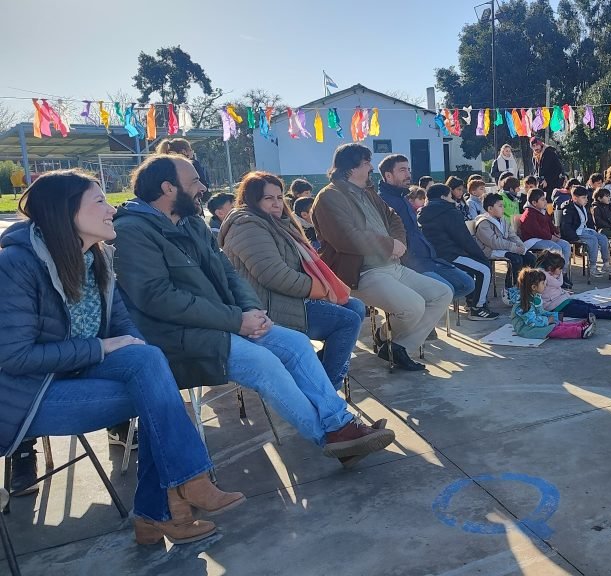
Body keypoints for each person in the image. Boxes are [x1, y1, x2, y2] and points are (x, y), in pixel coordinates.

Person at [0, 169, 247, 545]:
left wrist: (135, 349)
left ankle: (172, 501)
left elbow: (123, 325)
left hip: (82, 373)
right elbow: (14, 357)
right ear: (65, 213)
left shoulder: (97, 258)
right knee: (157, 399)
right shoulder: (17, 265)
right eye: (99, 201)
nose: (111, 211)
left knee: (151, 369)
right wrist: (99, 348)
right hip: (31, 396)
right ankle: (171, 500)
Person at [113, 156, 396, 464]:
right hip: (183, 338)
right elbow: (159, 298)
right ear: (168, 188)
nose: (203, 188)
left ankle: (340, 427)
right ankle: (333, 435)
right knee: (265, 362)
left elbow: (228, 274)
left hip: (229, 323)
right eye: (195, 182)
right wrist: (237, 320)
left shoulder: (190, 222)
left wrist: (250, 311)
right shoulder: (132, 231)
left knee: (297, 344)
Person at [218, 171, 367, 391]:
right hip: (268, 307)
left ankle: (313, 377)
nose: (277, 203)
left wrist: (325, 288)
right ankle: (325, 391)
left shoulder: (278, 224)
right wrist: (323, 290)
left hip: (288, 299)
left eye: (279, 197)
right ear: (252, 199)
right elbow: (275, 276)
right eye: (268, 198)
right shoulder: (247, 226)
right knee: (348, 321)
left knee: (355, 306)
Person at [311, 144, 453, 370]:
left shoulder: (367, 192)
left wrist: (398, 244)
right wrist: (389, 246)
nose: (370, 168)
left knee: (442, 293)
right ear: (350, 168)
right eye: (366, 163)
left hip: (393, 266)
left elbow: (394, 218)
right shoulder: (329, 197)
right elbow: (346, 237)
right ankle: (386, 337)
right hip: (362, 273)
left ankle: (398, 346)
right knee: (414, 306)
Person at [375, 154, 475, 304]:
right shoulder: (382, 201)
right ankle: (421, 317)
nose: (408, 174)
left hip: (429, 258)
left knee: (467, 283)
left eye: (408, 169)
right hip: (410, 264)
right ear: (388, 175)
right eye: (402, 170)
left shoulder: (403, 198)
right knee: (445, 290)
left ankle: (424, 309)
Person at [419, 184, 499, 320]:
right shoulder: (449, 212)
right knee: (484, 268)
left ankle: (471, 301)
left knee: (474, 267)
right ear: (443, 197)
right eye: (450, 196)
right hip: (450, 255)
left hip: (432, 256)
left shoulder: (422, 212)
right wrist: (480, 255)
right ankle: (478, 308)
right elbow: (464, 238)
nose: (453, 199)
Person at [535, 251, 611, 321]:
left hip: (563, 300)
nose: (561, 271)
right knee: (585, 311)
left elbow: (555, 288)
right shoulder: (542, 277)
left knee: (587, 305)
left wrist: (564, 292)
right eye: (559, 269)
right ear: (550, 268)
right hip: (555, 307)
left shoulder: (553, 274)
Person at [474, 192, 537, 300]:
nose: (503, 208)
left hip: (504, 248)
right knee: (516, 259)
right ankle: (510, 289)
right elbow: (494, 242)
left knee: (530, 257)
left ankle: (524, 286)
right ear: (490, 209)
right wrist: (513, 247)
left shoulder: (503, 220)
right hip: (491, 250)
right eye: (500, 206)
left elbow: (512, 235)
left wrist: (521, 246)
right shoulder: (483, 223)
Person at [509, 269, 595, 339]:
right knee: (555, 330)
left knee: (557, 323)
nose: (545, 286)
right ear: (534, 287)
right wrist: (547, 320)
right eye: (543, 283)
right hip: (527, 329)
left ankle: (580, 325)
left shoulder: (534, 297)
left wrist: (554, 316)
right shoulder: (523, 304)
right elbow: (532, 321)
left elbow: (540, 311)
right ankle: (580, 332)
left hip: (536, 324)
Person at [519, 188, 573, 286]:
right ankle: (553, 275)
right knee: (556, 248)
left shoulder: (543, 211)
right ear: (534, 203)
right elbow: (537, 231)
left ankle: (562, 273)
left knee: (565, 245)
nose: (545, 202)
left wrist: (556, 233)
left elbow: (549, 224)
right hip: (532, 240)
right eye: (543, 199)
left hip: (545, 237)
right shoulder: (528, 214)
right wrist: (551, 237)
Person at [560, 186, 610, 278]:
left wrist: (593, 230)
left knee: (603, 238)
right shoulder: (568, 209)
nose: (586, 199)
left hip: (585, 230)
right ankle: (592, 267)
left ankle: (606, 264)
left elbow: (589, 221)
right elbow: (566, 226)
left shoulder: (583, 207)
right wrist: (574, 237)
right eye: (583, 197)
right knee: (593, 240)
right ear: (575, 198)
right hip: (576, 233)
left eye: (587, 197)